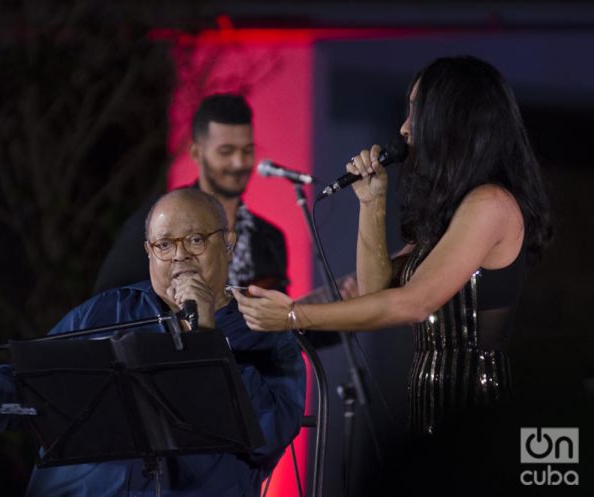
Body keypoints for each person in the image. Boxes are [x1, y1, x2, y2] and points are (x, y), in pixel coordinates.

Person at [233, 56, 552, 436]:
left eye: (417, 112)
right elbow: (375, 291)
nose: (403, 128)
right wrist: (371, 203)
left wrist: (293, 317)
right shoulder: (456, 211)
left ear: (452, 120)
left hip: (474, 413)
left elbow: (413, 303)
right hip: (431, 407)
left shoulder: (491, 204)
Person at [0, 189, 306, 496]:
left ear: (229, 243)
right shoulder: (107, 312)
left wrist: (205, 335)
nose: (179, 257)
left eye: (197, 240)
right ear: (148, 253)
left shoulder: (263, 329)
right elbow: (28, 397)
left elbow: (268, 437)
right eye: (164, 246)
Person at [93, 93, 288, 294]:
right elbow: (111, 301)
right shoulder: (159, 221)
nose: (239, 163)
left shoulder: (269, 239)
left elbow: (279, 318)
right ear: (196, 153)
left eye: (247, 151)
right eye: (226, 151)